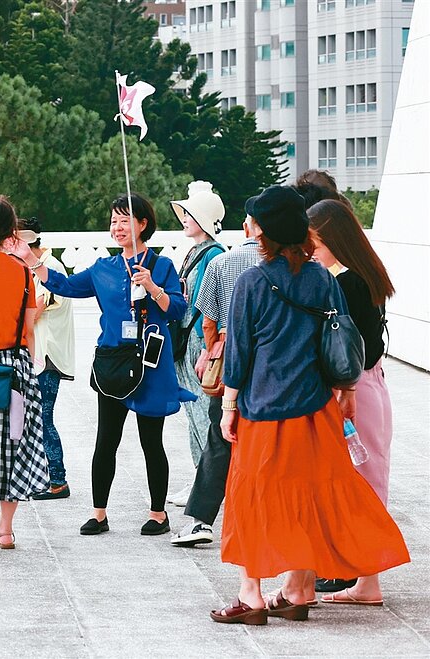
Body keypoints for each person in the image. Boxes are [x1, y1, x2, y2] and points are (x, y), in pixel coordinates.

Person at [211, 186, 409, 625]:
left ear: (264, 232)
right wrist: (348, 393)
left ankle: (252, 596)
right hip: (316, 409)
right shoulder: (321, 278)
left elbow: (239, 354)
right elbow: (342, 340)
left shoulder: (252, 282)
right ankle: (299, 589)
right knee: (309, 498)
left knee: (255, 499)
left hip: (264, 411)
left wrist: (229, 405)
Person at [31, 193, 192, 537]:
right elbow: (66, 285)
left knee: (152, 441)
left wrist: (152, 286)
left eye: (124, 220)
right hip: (113, 362)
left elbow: (177, 310)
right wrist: (31, 260)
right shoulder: (103, 268)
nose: (117, 227)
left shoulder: (161, 266)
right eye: (113, 221)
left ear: (143, 224)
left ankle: (158, 514)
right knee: (106, 439)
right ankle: (99, 513)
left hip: (151, 361)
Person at [308, 198, 398, 603]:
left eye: (315, 244)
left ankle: (362, 578)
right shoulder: (364, 275)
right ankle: (367, 581)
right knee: (368, 483)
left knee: (356, 485)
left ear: (334, 241)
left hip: (352, 394)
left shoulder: (344, 284)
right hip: (370, 388)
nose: (311, 253)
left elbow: (345, 350)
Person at [171, 205, 263, 549]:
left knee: (219, 437)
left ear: (247, 226)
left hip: (229, 357)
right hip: (273, 366)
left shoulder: (221, 262)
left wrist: (212, 352)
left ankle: (200, 520)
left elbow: (207, 318)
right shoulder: (297, 266)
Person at [0, 196, 49, 550]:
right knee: (15, 445)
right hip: (14, 369)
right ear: (11, 230)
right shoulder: (21, 270)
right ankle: (4, 528)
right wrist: (30, 366)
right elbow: (30, 329)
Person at [166, 182, 227, 506]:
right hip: (188, 340)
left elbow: (209, 305)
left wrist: (206, 347)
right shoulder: (196, 252)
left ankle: (209, 484)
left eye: (190, 213)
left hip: (197, 342)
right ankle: (199, 478)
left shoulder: (213, 255)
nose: (184, 218)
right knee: (192, 412)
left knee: (202, 413)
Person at [8, 217, 75, 501]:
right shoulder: (35, 266)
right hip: (40, 354)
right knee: (35, 418)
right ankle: (44, 477)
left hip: (46, 356)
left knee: (43, 418)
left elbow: (33, 313)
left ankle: (57, 480)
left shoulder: (50, 269)